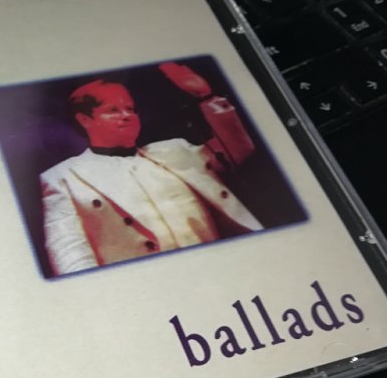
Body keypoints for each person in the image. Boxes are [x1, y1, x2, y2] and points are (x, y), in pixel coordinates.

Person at [40, 62, 263, 276]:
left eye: (130, 108)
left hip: (222, 264)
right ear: (85, 119)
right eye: (113, 110)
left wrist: (206, 97)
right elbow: (69, 251)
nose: (127, 115)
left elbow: (237, 150)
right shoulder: (63, 177)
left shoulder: (176, 150)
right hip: (151, 284)